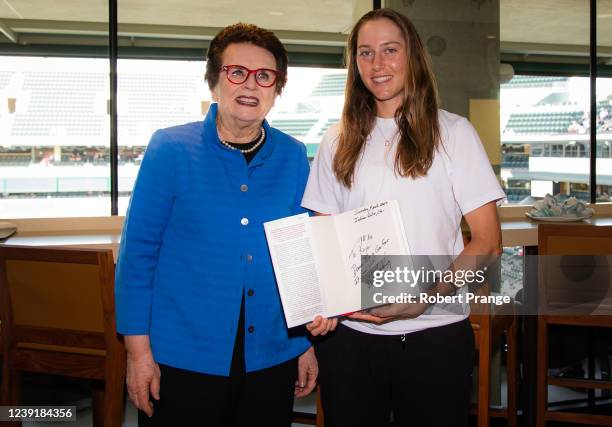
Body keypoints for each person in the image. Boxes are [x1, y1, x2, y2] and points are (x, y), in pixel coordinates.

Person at [302, 8, 505, 427]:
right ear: (354, 64)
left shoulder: (454, 133)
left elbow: (487, 243)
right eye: (365, 53)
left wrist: (421, 301)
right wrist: (317, 301)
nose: (378, 64)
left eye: (390, 50)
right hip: (351, 341)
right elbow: (324, 236)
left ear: (412, 56)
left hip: (435, 334)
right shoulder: (336, 139)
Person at [115, 23, 317, 427]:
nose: (250, 84)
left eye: (265, 76)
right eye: (236, 72)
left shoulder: (294, 157)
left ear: (277, 90)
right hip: (182, 355)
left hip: (271, 355)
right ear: (213, 82)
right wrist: (138, 354)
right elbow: (137, 258)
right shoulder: (170, 148)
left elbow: (300, 256)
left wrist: (303, 346)